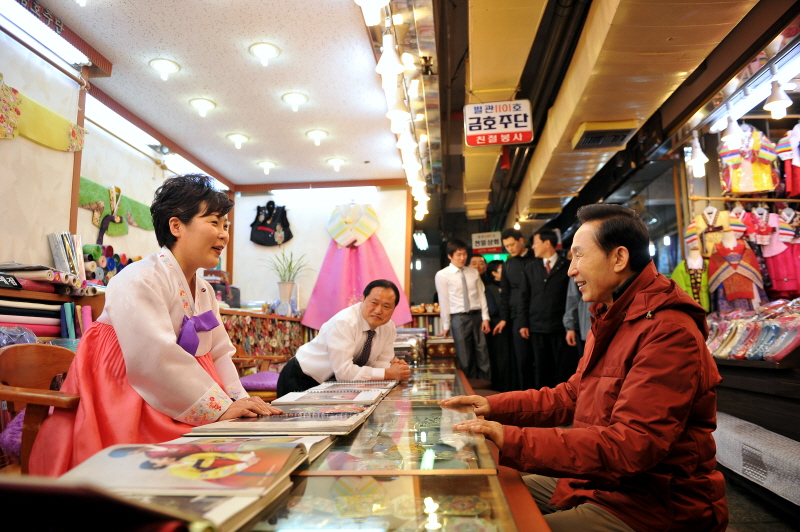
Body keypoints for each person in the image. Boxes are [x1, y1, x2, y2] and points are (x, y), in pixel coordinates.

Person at [443, 204, 727, 532]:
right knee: (484, 496)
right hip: (603, 482)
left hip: (653, 502)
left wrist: (513, 439)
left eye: (579, 256)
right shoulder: (612, 315)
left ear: (619, 258)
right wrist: (492, 405)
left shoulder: (667, 330)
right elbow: (571, 396)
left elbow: (631, 446)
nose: (570, 270)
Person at [30, 174, 282, 477]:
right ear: (176, 226)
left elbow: (218, 354)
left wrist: (240, 399)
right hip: (126, 392)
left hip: (179, 388)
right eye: (214, 223)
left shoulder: (205, 291)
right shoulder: (138, 278)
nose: (224, 235)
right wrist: (220, 409)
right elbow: (155, 358)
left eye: (225, 225)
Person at [276, 279, 411, 396]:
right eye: (374, 303)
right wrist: (388, 373)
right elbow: (344, 373)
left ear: (394, 309)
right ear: (363, 299)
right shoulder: (345, 322)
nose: (378, 310)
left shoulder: (388, 327)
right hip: (301, 377)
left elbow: (377, 363)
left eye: (386, 306)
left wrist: (396, 368)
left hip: (332, 384)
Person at [519, 229, 575, 388]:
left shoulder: (567, 266)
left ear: (547, 243)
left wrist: (571, 325)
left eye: (535, 243)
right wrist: (523, 323)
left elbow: (572, 298)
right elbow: (523, 298)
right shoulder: (531, 268)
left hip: (561, 328)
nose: (533, 247)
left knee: (564, 368)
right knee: (542, 370)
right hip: (537, 327)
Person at [435, 239, 491, 380]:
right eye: (458, 254)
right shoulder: (442, 275)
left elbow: (481, 295)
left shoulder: (473, 272)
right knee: (465, 357)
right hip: (458, 318)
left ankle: (487, 386)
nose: (462, 258)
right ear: (450, 256)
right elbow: (444, 301)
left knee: (483, 353)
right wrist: (446, 325)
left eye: (464, 254)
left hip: (477, 316)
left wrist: (485, 318)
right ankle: (470, 389)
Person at [494, 228, 533, 390]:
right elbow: (505, 294)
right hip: (517, 316)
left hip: (536, 313)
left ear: (521, 240)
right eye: (506, 246)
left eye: (512, 245)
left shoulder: (535, 258)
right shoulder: (508, 264)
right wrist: (504, 318)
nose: (509, 248)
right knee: (522, 359)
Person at [482, 260, 516, 392]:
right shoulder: (489, 288)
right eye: (502, 270)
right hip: (497, 326)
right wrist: (509, 310)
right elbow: (493, 309)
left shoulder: (510, 286)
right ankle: (500, 388)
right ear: (493, 273)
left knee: (511, 359)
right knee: (501, 359)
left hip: (509, 325)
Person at [563, 250, 592, 359]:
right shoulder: (576, 271)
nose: (570, 271)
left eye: (578, 256)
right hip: (586, 329)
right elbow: (573, 299)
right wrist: (570, 326)